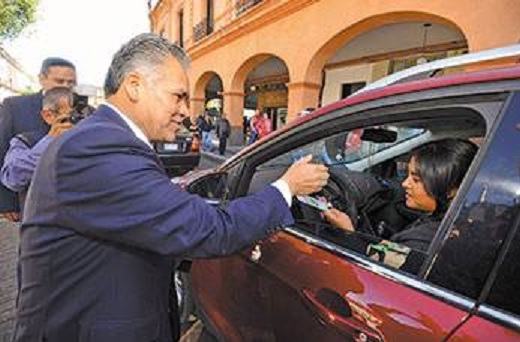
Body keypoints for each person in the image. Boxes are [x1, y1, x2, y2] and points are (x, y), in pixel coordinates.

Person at [12, 33, 329, 342]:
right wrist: (287, 187)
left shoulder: (104, 139)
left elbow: (153, 214)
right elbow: (207, 230)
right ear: (134, 85)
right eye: (178, 96)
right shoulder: (99, 147)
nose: (186, 111)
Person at [323, 138, 478, 252]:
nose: (405, 184)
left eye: (416, 179)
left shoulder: (421, 243)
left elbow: (378, 272)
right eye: (407, 175)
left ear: (451, 189)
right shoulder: (468, 224)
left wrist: (348, 232)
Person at [0, 57, 76, 223]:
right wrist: (6, 203)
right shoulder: (15, 106)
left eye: (71, 82)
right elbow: (2, 149)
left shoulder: (84, 110)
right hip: (29, 201)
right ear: (41, 79)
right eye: (59, 81)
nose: (65, 86)